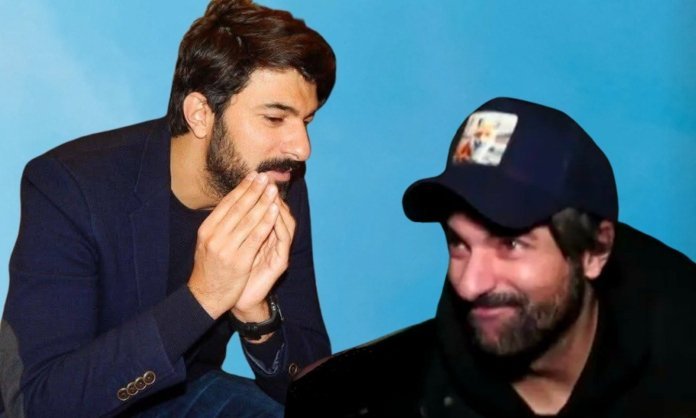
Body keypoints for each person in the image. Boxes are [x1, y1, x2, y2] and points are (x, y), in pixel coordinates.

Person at [0, 0, 335, 416]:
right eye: (274, 118)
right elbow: (37, 404)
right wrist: (204, 297)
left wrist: (257, 317)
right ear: (200, 114)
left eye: (306, 121)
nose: (301, 148)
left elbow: (317, 388)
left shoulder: (275, 181)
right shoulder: (70, 185)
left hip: (184, 392)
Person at [285, 97, 696, 418]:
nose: (470, 283)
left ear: (594, 251)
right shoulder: (366, 401)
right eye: (459, 244)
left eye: (511, 244)